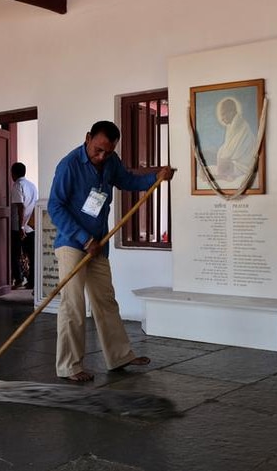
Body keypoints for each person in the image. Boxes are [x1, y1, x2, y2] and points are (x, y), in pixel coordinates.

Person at [48, 120, 175, 381]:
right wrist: (84, 240)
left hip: (98, 244)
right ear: (87, 138)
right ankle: (69, 366)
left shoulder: (110, 161)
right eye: (98, 150)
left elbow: (127, 180)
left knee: (105, 300)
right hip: (73, 244)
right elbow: (55, 208)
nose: (102, 156)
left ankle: (119, 356)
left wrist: (156, 178)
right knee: (73, 304)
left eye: (108, 151)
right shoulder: (69, 165)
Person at [214, 97, 256, 182]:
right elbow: (226, 148)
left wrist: (223, 160)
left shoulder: (242, 126)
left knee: (222, 164)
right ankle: (223, 176)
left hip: (243, 165)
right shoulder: (232, 127)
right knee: (203, 173)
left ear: (231, 112)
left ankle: (224, 176)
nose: (222, 118)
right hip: (234, 164)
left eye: (223, 114)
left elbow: (233, 152)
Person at [10, 162, 38, 289]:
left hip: (19, 227)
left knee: (15, 253)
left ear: (14, 173)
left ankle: (18, 278)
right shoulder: (32, 186)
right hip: (31, 226)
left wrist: (21, 227)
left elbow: (20, 207)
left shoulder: (17, 185)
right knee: (31, 254)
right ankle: (32, 281)